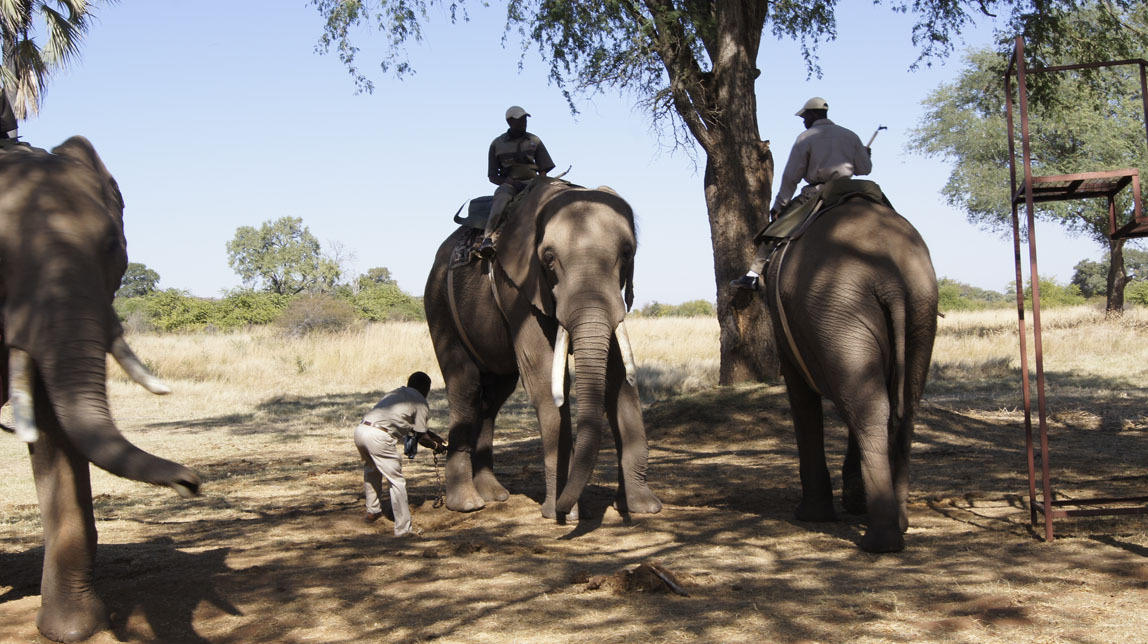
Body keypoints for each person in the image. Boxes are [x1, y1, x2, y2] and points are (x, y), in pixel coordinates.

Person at [731, 97, 872, 291]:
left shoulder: (806, 138)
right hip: (850, 189)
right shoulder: (850, 136)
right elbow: (865, 169)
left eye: (804, 117)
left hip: (818, 193)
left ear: (813, 114)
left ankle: (753, 275)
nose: (804, 122)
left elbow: (791, 177)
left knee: (775, 231)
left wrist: (779, 206)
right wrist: (866, 154)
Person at [353, 371, 447, 536]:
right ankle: (403, 529)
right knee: (396, 481)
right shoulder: (421, 402)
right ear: (426, 388)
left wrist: (433, 436)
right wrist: (436, 447)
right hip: (379, 437)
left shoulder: (397, 393)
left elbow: (413, 427)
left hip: (361, 431)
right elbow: (421, 437)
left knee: (372, 470)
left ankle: (373, 511)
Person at [477, 105, 556, 258]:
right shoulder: (497, 144)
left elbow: (544, 167)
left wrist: (541, 182)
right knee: (500, 200)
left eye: (525, 120)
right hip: (510, 184)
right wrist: (510, 183)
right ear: (510, 122)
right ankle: (488, 238)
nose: (524, 123)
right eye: (520, 120)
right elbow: (492, 176)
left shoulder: (534, 140)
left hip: (534, 182)